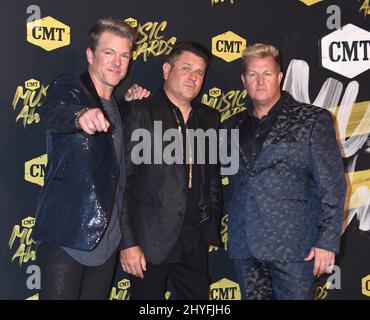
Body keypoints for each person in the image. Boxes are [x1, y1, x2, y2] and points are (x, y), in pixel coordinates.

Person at [33, 18, 149, 300]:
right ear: (90, 55)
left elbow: (114, 169)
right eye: (109, 53)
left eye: (124, 55)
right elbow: (52, 110)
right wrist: (78, 115)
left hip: (106, 245)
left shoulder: (117, 108)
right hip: (68, 239)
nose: (117, 63)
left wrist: (128, 106)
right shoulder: (70, 88)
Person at [224, 43, 346, 300]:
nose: (260, 81)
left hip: (295, 249)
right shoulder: (230, 126)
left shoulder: (312, 119)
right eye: (253, 74)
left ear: (280, 77)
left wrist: (326, 242)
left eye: (267, 74)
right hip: (246, 247)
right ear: (243, 80)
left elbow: (332, 185)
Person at [120, 41, 222, 300]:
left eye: (199, 72)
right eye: (186, 68)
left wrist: (209, 224)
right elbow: (123, 183)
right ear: (167, 70)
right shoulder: (142, 110)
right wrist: (129, 242)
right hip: (148, 240)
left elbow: (211, 177)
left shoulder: (209, 118)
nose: (193, 77)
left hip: (193, 240)